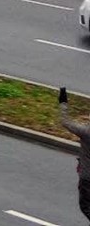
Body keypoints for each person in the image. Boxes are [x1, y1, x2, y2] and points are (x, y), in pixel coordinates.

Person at [58, 87, 90, 221]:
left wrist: (63, 102)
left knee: (86, 206)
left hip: (87, 177)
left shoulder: (86, 132)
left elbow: (66, 122)